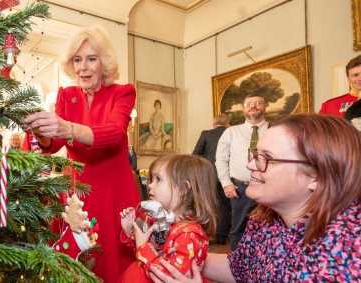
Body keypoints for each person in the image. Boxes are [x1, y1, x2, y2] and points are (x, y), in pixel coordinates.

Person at [148, 114, 361, 283]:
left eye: (265, 158)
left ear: (316, 175)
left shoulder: (347, 251)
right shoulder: (264, 220)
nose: (250, 165)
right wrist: (173, 250)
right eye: (254, 155)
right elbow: (239, 268)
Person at [23, 26, 141, 282]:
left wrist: (66, 128)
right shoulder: (67, 96)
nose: (83, 68)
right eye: (77, 59)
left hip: (113, 192)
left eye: (91, 59)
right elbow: (52, 145)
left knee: (112, 260)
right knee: (78, 252)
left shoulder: (123, 93)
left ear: (104, 63)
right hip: (77, 193)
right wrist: (41, 131)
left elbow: (113, 133)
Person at [118, 154, 218, 283]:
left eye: (158, 179)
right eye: (151, 179)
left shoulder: (189, 234)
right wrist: (131, 232)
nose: (150, 185)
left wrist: (143, 246)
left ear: (183, 189)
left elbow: (168, 277)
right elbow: (147, 254)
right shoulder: (159, 220)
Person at [215, 94, 269, 250]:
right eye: (249, 104)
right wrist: (226, 184)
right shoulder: (231, 132)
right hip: (240, 190)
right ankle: (234, 268)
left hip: (268, 187)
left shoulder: (275, 130)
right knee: (238, 230)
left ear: (265, 107)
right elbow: (221, 160)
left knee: (267, 229)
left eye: (258, 103)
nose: (253, 106)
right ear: (244, 109)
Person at [193, 113, 231, 245]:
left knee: (208, 204)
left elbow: (195, 155)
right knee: (225, 206)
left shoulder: (206, 134)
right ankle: (222, 237)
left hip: (209, 175)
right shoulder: (231, 133)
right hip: (228, 175)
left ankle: (205, 235)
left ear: (214, 123)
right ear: (228, 123)